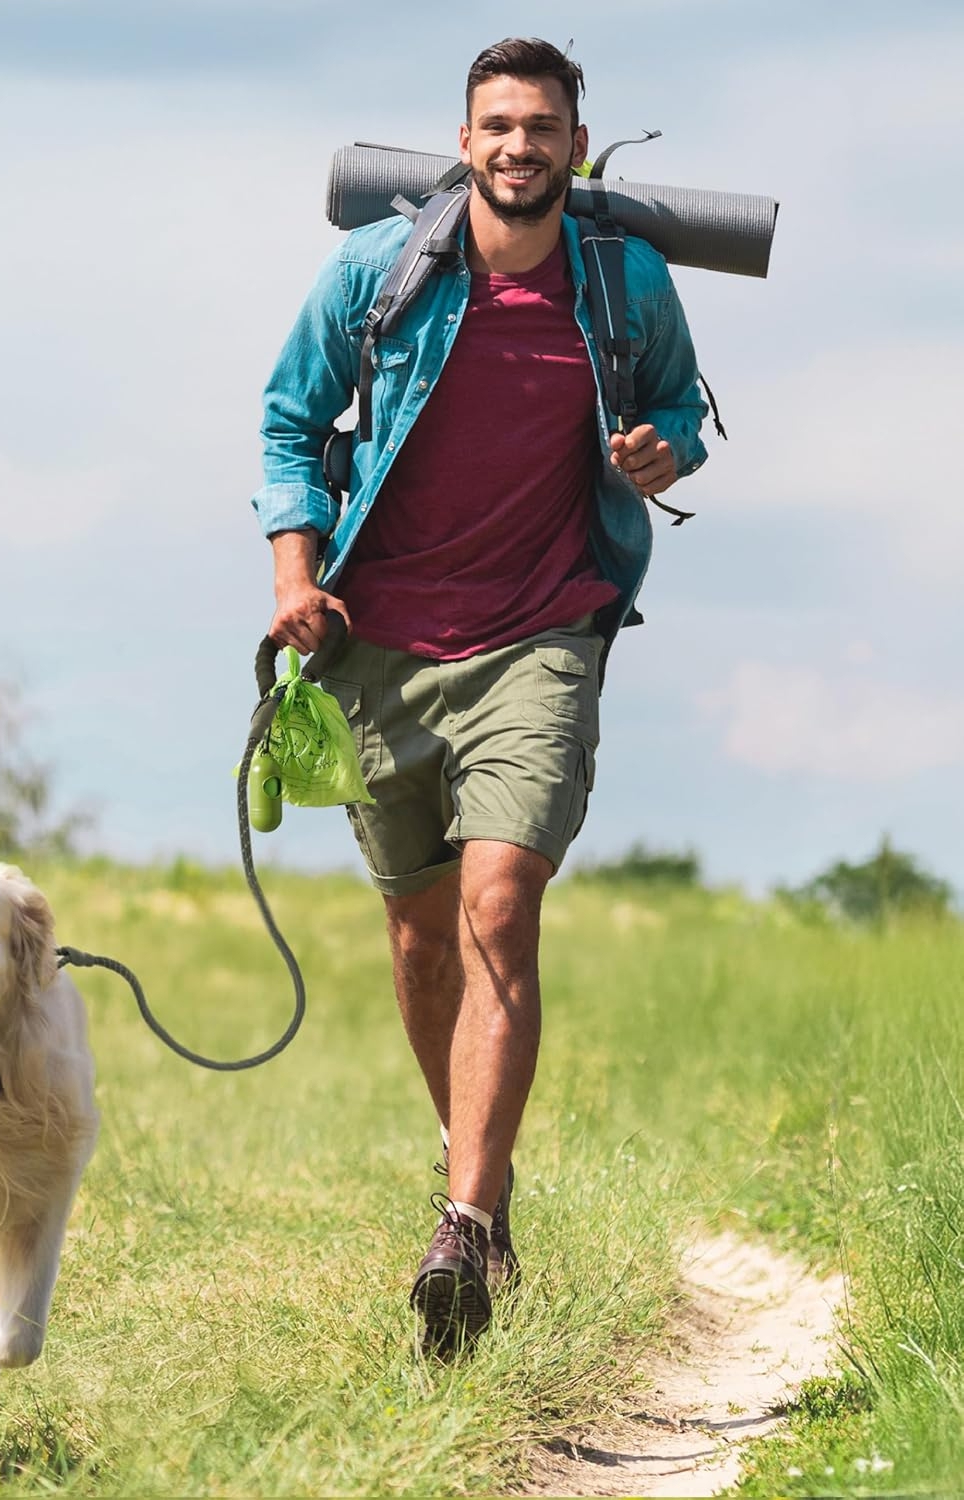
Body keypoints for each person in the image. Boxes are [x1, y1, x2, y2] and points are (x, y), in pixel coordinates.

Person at [251, 36, 708, 1356]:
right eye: (498, 125)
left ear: (577, 143)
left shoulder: (623, 283)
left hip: (541, 632)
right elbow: (291, 422)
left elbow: (682, 409)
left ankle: (457, 1222)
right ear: (466, 144)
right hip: (377, 645)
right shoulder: (378, 273)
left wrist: (651, 446)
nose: (520, 145)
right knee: (419, 934)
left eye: (544, 125)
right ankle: (488, 1200)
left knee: (502, 898)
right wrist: (295, 573)